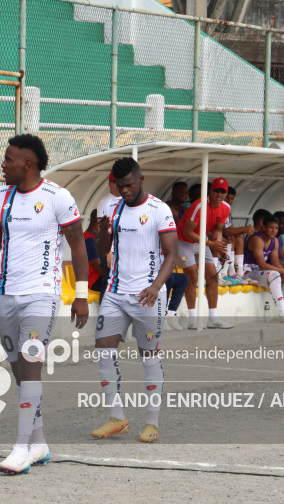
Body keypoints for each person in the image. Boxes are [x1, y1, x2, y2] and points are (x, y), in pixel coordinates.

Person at [0, 133, 89, 475]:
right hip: (7, 294)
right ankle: (40, 443)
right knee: (19, 369)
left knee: (31, 360)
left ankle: (20, 449)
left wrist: (81, 294)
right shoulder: (1, 197)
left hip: (42, 294)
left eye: (8, 159)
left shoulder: (57, 197)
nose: (3, 164)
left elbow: (77, 245)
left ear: (27, 164)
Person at [91, 157, 178, 443]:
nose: (124, 190)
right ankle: (117, 418)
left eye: (129, 185)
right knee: (103, 350)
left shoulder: (159, 210)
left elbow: (172, 254)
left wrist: (155, 287)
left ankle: (152, 423)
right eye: (119, 186)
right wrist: (103, 234)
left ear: (141, 180)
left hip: (147, 296)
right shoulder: (111, 207)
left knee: (149, 356)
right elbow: (102, 249)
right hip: (115, 293)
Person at [177, 177, 233, 330]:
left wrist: (219, 247)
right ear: (210, 191)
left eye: (223, 192)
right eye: (216, 191)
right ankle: (192, 319)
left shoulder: (226, 207)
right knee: (192, 275)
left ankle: (213, 319)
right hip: (183, 241)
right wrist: (210, 243)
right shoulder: (199, 205)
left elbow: (218, 230)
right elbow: (187, 232)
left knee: (213, 276)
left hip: (202, 242)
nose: (219, 194)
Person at [243, 214, 284, 318]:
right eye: (271, 227)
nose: (274, 230)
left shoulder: (274, 240)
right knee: (275, 275)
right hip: (249, 272)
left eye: (276, 228)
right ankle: (282, 313)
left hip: (263, 273)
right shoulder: (257, 239)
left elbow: (276, 263)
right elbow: (262, 265)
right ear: (263, 227)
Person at [83, 209, 106, 293]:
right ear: (99, 221)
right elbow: (98, 268)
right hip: (94, 280)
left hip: (97, 279)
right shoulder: (89, 239)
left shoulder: (93, 237)